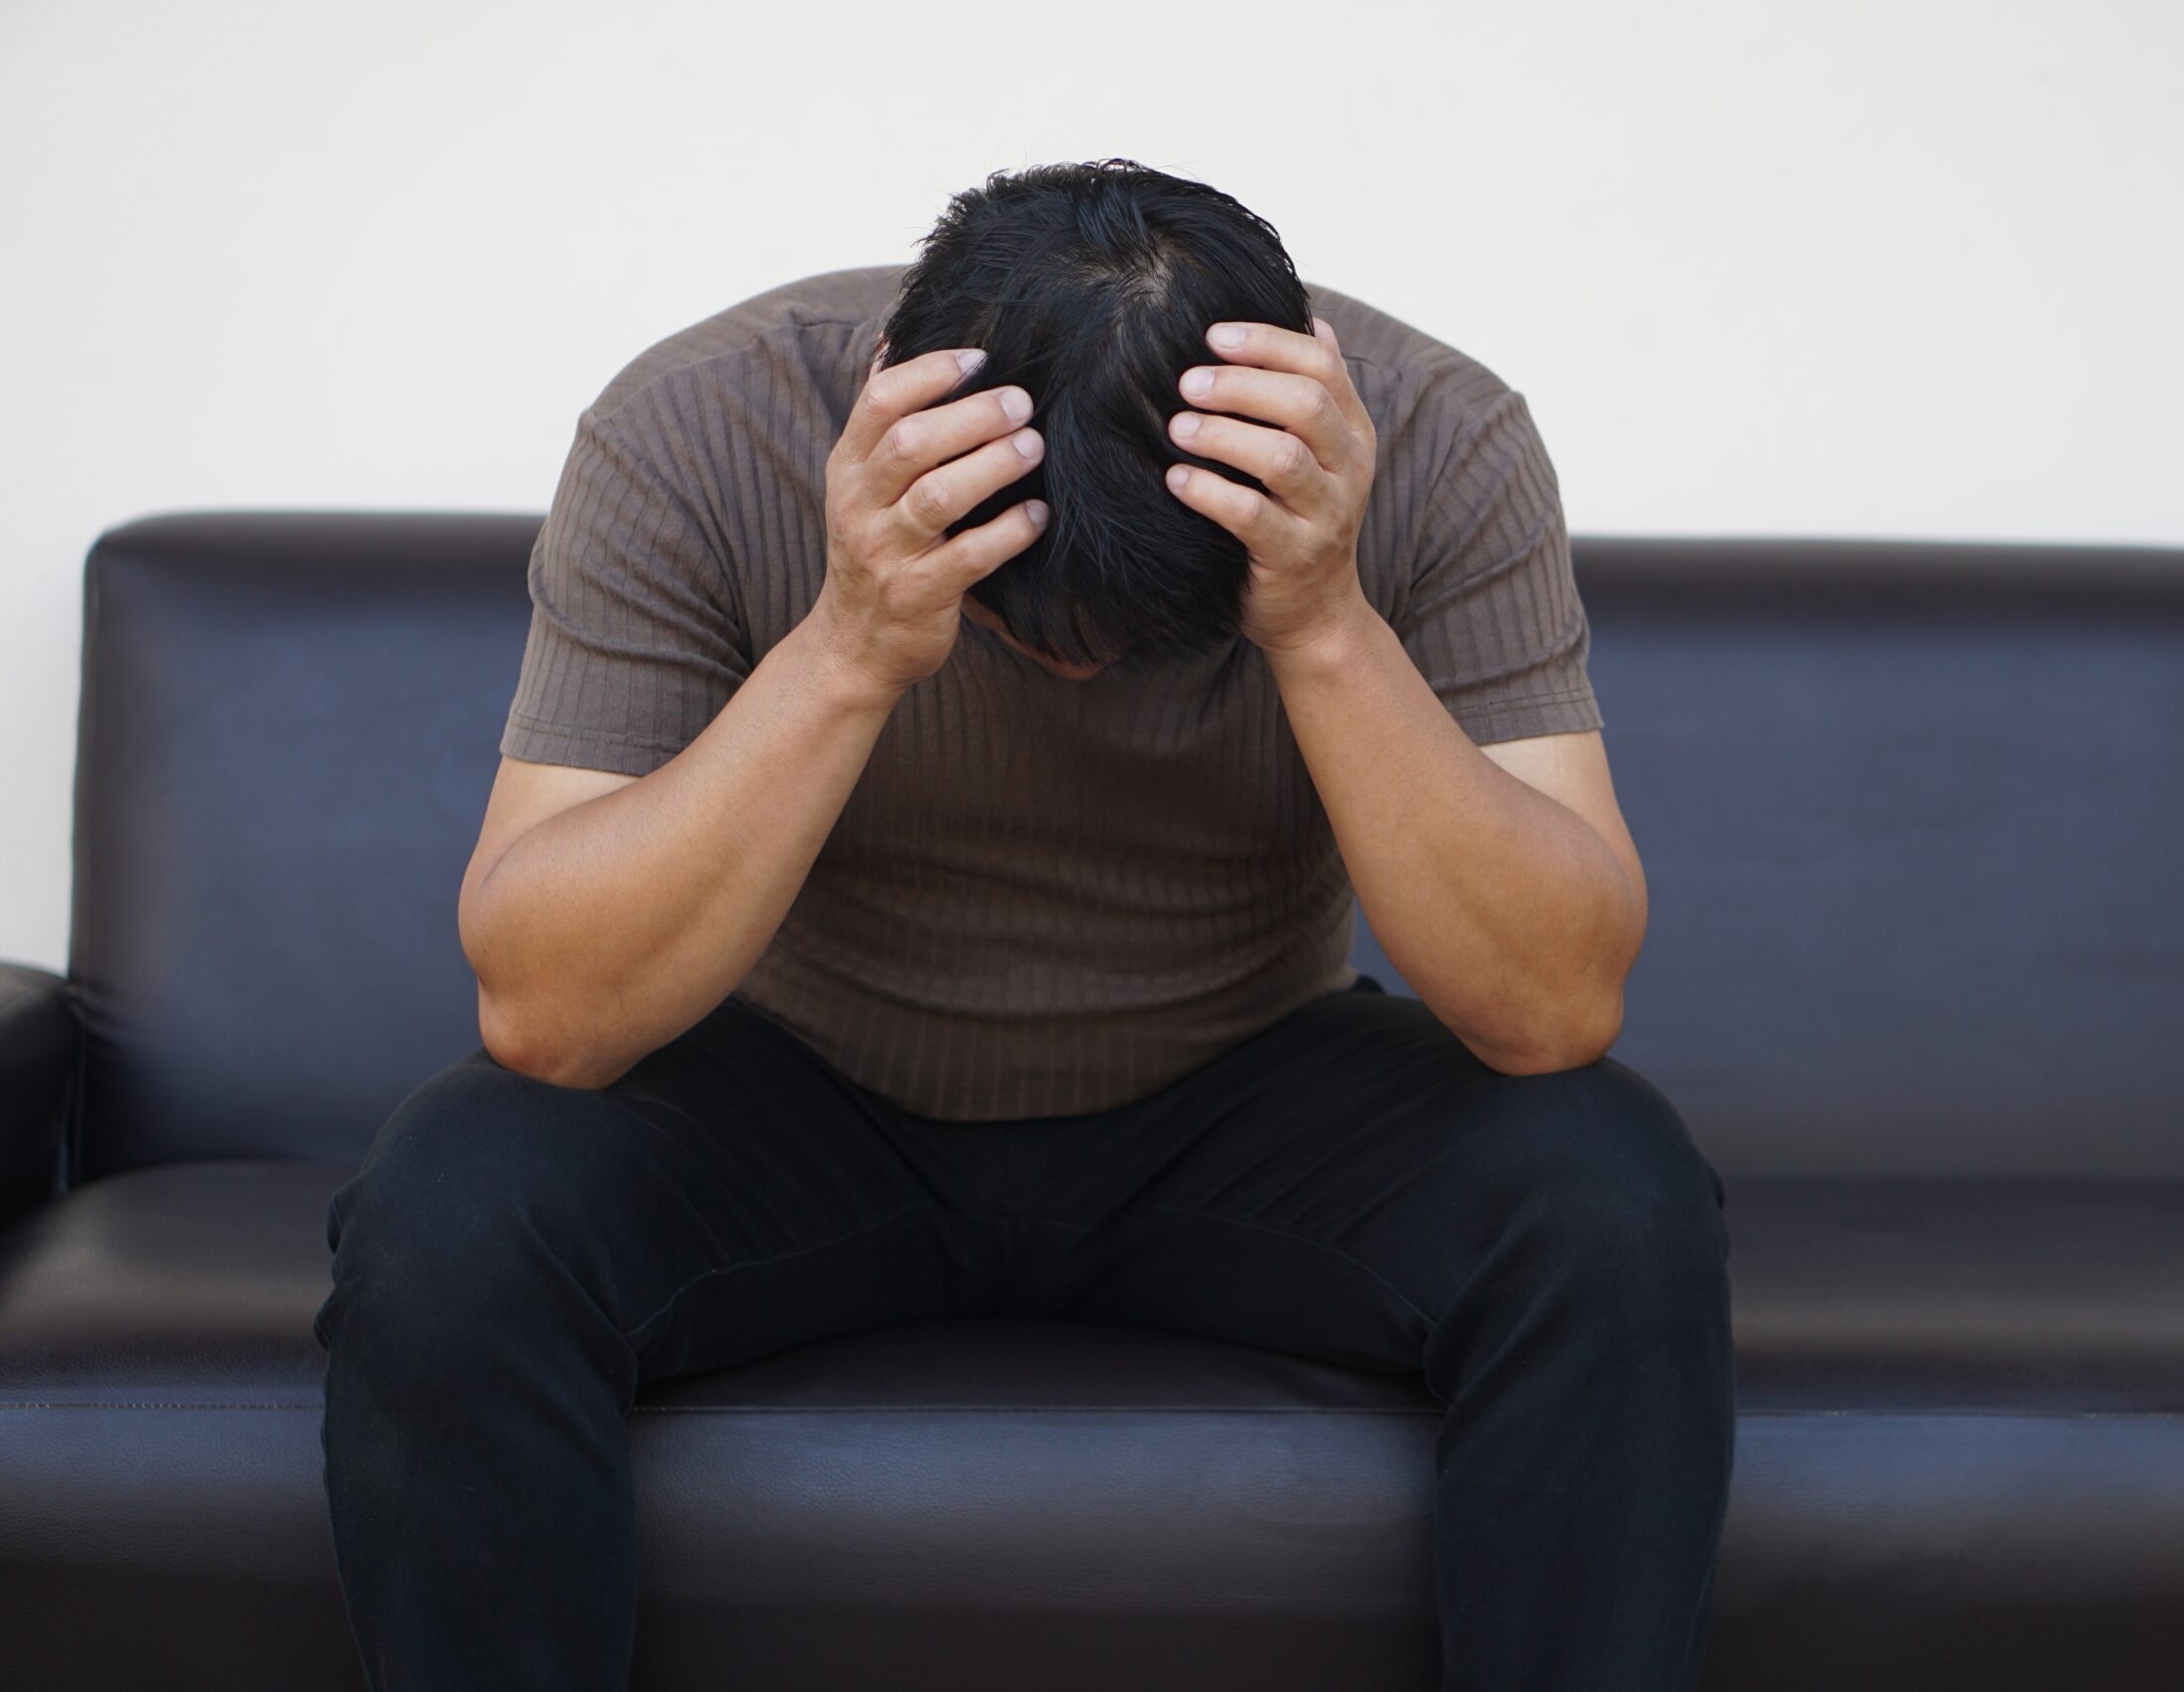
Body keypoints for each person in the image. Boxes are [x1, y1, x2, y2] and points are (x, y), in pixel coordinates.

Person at [312, 156, 1735, 1690]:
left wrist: (1322, 619)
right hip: (799, 1089)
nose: (1076, 671)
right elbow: (543, 1012)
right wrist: (854, 642)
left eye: (1142, 638)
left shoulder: (1435, 442)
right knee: (454, 1205)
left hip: (1242, 1094)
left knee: (1612, 1195)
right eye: (1026, 611)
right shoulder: (698, 424)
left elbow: (1555, 1007)